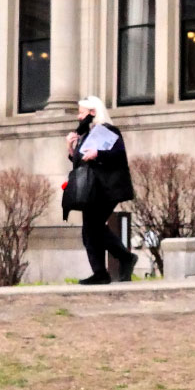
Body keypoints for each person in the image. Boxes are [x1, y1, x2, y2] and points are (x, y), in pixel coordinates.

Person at [64, 96, 136, 285]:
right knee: (90, 229)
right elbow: (80, 163)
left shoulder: (109, 131)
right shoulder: (87, 135)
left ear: (93, 112)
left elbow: (118, 155)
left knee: (93, 227)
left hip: (108, 188)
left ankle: (122, 259)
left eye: (81, 112)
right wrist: (71, 149)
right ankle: (102, 271)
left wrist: (98, 153)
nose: (79, 117)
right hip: (93, 190)